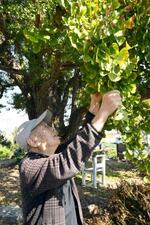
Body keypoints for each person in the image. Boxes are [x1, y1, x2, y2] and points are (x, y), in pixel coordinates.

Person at [15, 90, 122, 225]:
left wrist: (93, 111)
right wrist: (103, 114)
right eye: (45, 127)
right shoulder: (29, 165)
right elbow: (68, 161)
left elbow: (78, 143)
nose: (52, 128)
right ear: (33, 141)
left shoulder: (55, 154)